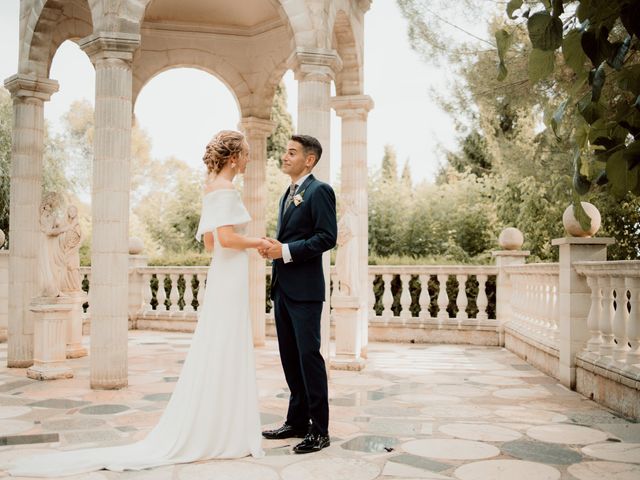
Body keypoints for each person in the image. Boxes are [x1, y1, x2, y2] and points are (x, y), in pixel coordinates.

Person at [3, 130, 270, 477]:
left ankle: (218, 423)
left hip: (222, 275)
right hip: (230, 277)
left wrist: (241, 242)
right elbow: (226, 238)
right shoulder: (227, 189)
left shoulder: (210, 188)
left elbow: (209, 244)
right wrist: (258, 242)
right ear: (234, 157)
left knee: (218, 344)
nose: (249, 159)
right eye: (247, 154)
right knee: (227, 344)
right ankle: (227, 428)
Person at [259, 134, 337, 454]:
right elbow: (290, 239)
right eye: (285, 152)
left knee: (309, 359)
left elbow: (326, 237)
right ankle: (296, 421)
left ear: (309, 160)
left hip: (305, 292)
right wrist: (274, 249)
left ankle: (319, 430)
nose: (285, 156)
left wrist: (286, 251)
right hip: (283, 289)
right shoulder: (286, 194)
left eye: (292, 153)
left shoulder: (320, 191)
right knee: (290, 359)